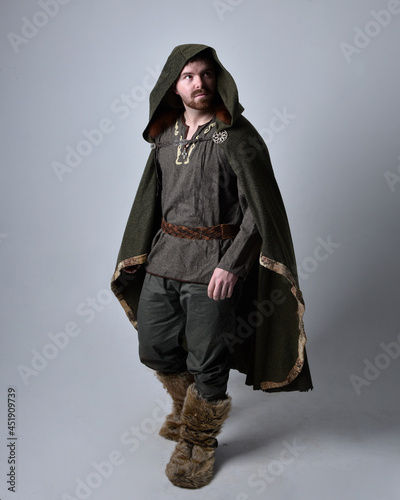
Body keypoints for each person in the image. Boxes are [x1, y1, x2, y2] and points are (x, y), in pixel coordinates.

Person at [111, 44, 312, 489]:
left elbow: (259, 210)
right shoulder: (165, 136)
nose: (198, 83)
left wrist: (232, 264)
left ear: (217, 79)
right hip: (164, 260)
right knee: (155, 348)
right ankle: (187, 411)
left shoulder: (231, 135)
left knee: (208, 359)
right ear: (173, 84)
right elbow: (151, 202)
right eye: (187, 76)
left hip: (212, 269)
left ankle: (199, 441)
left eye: (205, 74)